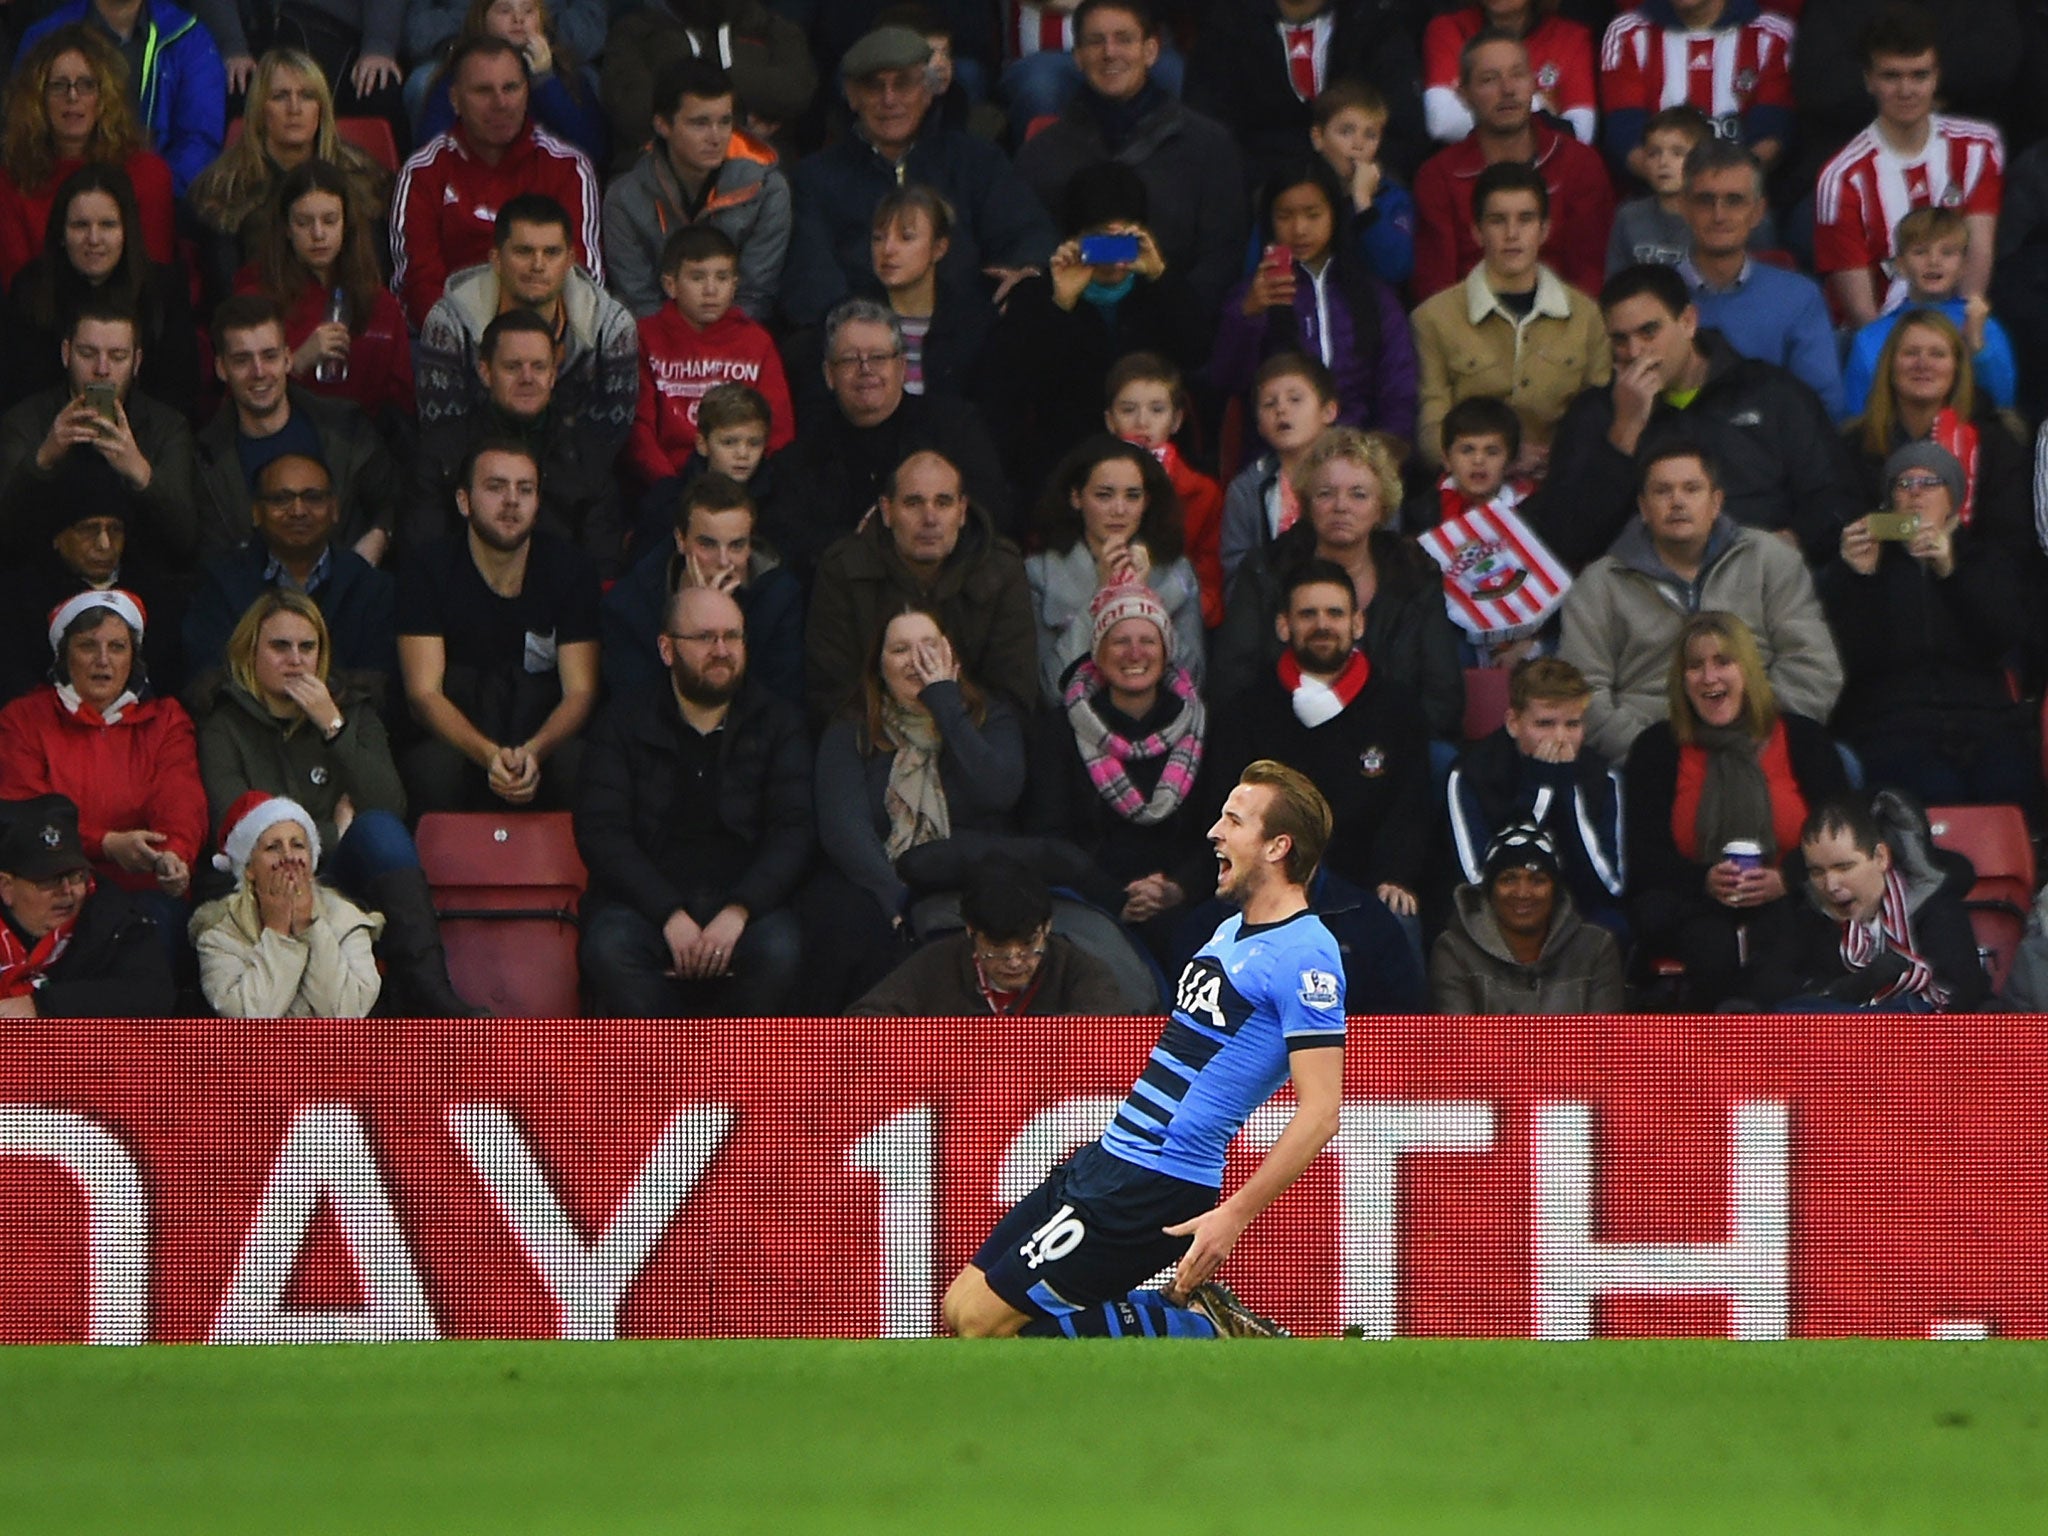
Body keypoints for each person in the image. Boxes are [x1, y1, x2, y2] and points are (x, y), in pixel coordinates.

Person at [944, 758, 1344, 1340]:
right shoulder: (1230, 929)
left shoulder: (1308, 953)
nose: (1215, 832)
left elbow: (1322, 1109)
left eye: (1233, 821)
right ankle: (1173, 1320)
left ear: (1278, 846)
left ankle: (1194, 1329)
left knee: (986, 1326)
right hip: (1111, 1157)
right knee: (960, 1310)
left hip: (1158, 1179)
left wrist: (1234, 1215)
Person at [193, 589, 477, 1014]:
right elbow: (236, 826)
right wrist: (333, 832)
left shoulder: (353, 711)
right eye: (279, 646)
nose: (295, 659)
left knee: (380, 831)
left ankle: (430, 993)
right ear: (250, 651)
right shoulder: (223, 721)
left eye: (308, 647)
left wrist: (333, 726)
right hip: (259, 880)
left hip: (339, 875)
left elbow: (388, 807)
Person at [574, 583, 810, 1018]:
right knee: (609, 949)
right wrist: (668, 914)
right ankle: (672, 1075)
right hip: (644, 904)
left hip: (746, 903)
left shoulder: (780, 722)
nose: (722, 650)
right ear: (667, 649)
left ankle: (730, 1076)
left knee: (782, 951)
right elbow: (602, 834)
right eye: (705, 638)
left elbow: (793, 832)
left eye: (733, 636)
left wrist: (740, 910)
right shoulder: (621, 722)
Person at [1530, 264, 1860, 569]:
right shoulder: (1597, 413)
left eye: (1649, 332)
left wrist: (1792, 541)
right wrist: (1625, 433)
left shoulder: (1770, 393)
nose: (1634, 352)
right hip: (1642, 596)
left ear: (1688, 321)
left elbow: (1836, 495)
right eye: (1620, 339)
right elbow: (1561, 541)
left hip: (1758, 582)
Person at [1558, 441, 1843, 764]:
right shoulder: (1599, 583)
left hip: (1763, 739)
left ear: (1716, 501)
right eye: (1663, 491)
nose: (1677, 501)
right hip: (1648, 749)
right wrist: (1650, 753)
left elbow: (1812, 664)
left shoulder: (1770, 559)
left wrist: (1758, 734)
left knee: (1841, 764)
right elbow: (1580, 691)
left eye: (1691, 489)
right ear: (1643, 506)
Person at [1624, 610, 1848, 1005]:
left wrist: (1787, 877)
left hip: (1791, 897)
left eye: (1722, 662)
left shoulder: (1803, 739)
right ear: (1682, 681)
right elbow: (1644, 858)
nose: (1709, 677)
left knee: (1784, 944)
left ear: (1748, 671)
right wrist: (1705, 881)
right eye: (1695, 666)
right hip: (1692, 904)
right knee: (1710, 947)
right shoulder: (1656, 748)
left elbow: (1844, 838)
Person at [808, 606, 1027, 1007]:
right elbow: (845, 827)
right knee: (851, 926)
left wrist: (945, 703)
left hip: (964, 875)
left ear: (951, 657)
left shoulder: (988, 716)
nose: (917, 660)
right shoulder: (852, 726)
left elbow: (998, 792)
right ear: (878, 668)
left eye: (929, 646)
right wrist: (894, 897)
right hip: (879, 881)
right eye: (901, 650)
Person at [1206, 560, 1431, 926]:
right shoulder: (1246, 711)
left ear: (1358, 623)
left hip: (1367, 888)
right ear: (1284, 625)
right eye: (1308, 614)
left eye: (1335, 613)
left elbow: (1409, 810)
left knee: (1400, 920)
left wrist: (1396, 877)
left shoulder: (1398, 709)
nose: (1322, 625)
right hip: (1268, 883)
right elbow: (1225, 809)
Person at [781, 25, 1053, 327]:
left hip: (970, 333)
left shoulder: (977, 160)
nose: (890, 99)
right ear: (852, 95)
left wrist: (1025, 273)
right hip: (861, 342)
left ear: (928, 90)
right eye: (874, 86)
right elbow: (811, 281)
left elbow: (1028, 234)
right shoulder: (814, 179)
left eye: (904, 84)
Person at [1821, 441, 2038, 813]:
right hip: (1892, 727)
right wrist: (1858, 579)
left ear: (1953, 497)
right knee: (1932, 789)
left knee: (2010, 785)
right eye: (1903, 484)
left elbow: (2003, 639)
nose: (1916, 493)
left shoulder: (1985, 559)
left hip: (1984, 722)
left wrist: (1952, 572)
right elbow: (1852, 660)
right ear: (1889, 501)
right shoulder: (1866, 563)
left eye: (1930, 482)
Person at [1213, 427, 1464, 747]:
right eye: (1326, 493)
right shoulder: (1267, 570)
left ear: (1381, 508)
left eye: (1358, 494)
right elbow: (1233, 681)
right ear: (1307, 503)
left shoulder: (1414, 572)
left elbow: (1442, 694)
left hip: (1393, 741)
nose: (1340, 506)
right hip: (1287, 736)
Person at [976, 160, 1205, 498]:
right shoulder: (1038, 295)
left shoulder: (1160, 288)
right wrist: (1061, 304)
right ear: (1073, 238)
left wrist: (1161, 278)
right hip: (1066, 466)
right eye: (1098, 242)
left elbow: (1197, 350)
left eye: (1123, 240)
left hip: (1156, 466)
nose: (1112, 258)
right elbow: (1013, 385)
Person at [398, 437, 599, 813]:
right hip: (461, 738)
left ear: (538, 504)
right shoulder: (427, 568)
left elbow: (581, 693)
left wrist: (533, 753)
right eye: (495, 487)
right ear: (463, 501)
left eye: (525, 489)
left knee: (582, 764)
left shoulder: (572, 570)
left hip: (541, 738)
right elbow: (424, 694)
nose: (511, 500)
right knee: (432, 768)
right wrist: (489, 755)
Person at [1012, 1, 1243, 319]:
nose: (1109, 53)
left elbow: (1220, 259)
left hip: (1179, 336)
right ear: (1077, 57)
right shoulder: (1041, 154)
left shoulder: (1209, 146)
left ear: (1151, 50)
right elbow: (1031, 253)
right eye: (1095, 42)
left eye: (1124, 39)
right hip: (1072, 338)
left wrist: (1177, 304)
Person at [0, 589, 205, 947]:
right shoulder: (24, 719)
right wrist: (105, 844)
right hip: (47, 889)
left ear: (133, 657)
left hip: (141, 890)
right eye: (87, 646)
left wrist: (174, 854)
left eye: (117, 647)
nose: (102, 660)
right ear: (64, 656)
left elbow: (180, 799)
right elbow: (25, 813)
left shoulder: (167, 720)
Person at [1023, 581, 1215, 959]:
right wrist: (1112, 896)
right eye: (1120, 641)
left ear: (1166, 651)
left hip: (1186, 897)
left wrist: (1178, 888)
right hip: (1089, 897)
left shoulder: (1208, 726)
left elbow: (1222, 827)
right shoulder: (1060, 729)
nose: (1134, 653)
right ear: (1098, 652)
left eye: (1148, 640)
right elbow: (1048, 833)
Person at [770, 300, 1010, 574]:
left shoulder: (955, 427)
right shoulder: (803, 454)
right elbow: (789, 536)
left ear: (902, 366)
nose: (865, 369)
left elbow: (991, 513)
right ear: (828, 374)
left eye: (878, 357)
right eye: (849, 359)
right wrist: (860, 546)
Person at [806, 448, 1037, 728]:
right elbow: (832, 690)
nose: (930, 518)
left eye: (943, 502)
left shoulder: (1001, 569)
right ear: (887, 511)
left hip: (975, 742)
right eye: (914, 503)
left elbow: (1013, 691)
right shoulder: (844, 568)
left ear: (962, 511)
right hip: (873, 744)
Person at [1409, 159, 1609, 475]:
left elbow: (1600, 418)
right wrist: (1498, 461)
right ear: (1477, 231)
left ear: (1544, 229)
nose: (1512, 234)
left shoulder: (1586, 316)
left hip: (1559, 485)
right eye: (1498, 220)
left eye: (1525, 219)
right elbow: (1431, 429)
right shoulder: (1432, 318)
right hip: (1467, 491)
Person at [391, 34, 602, 330]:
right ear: (455, 99)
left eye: (511, 88)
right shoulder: (424, 170)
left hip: (547, 347)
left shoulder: (568, 167)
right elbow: (417, 283)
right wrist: (472, 345)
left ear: (527, 92)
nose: (500, 103)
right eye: (483, 91)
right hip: (452, 343)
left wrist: (527, 346)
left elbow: (582, 280)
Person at [1814, 5, 2004, 331]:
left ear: (1937, 76)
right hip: (1877, 340)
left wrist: (1959, 342)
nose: (1906, 91)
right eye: (1891, 76)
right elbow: (1862, 315)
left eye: (1919, 75)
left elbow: (1977, 258)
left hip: (1956, 332)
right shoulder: (1841, 177)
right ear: (1869, 80)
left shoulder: (1978, 149)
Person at [1211, 156, 1417, 450]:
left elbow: (1399, 388)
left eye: (1313, 214)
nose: (1299, 229)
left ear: (1334, 214)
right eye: (1285, 216)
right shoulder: (1252, 295)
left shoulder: (1372, 294)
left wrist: (1384, 454)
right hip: (1279, 458)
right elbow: (1227, 381)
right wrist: (1249, 315)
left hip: (1361, 458)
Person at [414, 191, 637, 456]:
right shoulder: (449, 324)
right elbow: (444, 435)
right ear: (496, 259)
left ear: (569, 261)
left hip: (575, 480)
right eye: (524, 251)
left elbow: (608, 441)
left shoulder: (611, 328)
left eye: (552, 253)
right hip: (476, 478)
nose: (538, 265)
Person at [405, 309, 626, 574]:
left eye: (539, 367)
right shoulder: (443, 449)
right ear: (485, 372)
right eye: (512, 367)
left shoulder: (587, 453)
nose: (527, 378)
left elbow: (603, 565)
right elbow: (423, 555)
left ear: (553, 375)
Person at [194, 294, 399, 564]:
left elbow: (392, 499)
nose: (259, 372)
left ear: (288, 359)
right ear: (221, 368)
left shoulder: (345, 425)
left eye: (270, 356)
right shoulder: (206, 458)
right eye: (242, 360)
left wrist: (377, 539)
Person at [1410, 29, 1613, 301]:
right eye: (1489, 79)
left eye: (1518, 75)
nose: (1507, 89)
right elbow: (1436, 289)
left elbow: (1590, 277)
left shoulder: (1579, 163)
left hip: (1566, 327)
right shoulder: (1438, 176)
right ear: (1463, 94)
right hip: (1468, 328)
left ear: (1534, 84)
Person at [181, 452, 398, 701]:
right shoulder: (220, 582)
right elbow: (204, 682)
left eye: (313, 498)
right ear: (256, 512)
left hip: (344, 734)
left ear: (334, 509)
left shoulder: (372, 588)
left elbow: (380, 688)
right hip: (244, 734)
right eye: (281, 499)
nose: (297, 511)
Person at [0, 298, 196, 571]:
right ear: (66, 353)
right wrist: (43, 460)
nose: (102, 369)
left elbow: (185, 539)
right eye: (87, 353)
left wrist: (139, 471)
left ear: (136, 362)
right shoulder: (23, 421)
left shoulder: (167, 427)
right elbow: (7, 534)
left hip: (139, 582)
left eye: (117, 356)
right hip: (42, 580)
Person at [1750, 791, 1988, 1012]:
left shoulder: (1937, 909)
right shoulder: (1803, 912)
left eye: (1844, 867)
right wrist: (1847, 988)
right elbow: (1766, 986)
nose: (1831, 885)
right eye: (1817, 872)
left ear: (1881, 857)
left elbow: (1963, 997)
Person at [185, 49, 389, 306]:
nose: (294, 108)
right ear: (260, 108)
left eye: (306, 96)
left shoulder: (363, 179)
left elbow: (372, 278)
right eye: (280, 96)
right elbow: (225, 295)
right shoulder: (223, 190)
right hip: (259, 327)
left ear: (321, 107)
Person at [1841, 307, 2035, 567]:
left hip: (1970, 590)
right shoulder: (1854, 442)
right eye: (1910, 353)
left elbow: (2012, 544)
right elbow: (1843, 524)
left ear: (1957, 368)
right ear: (1889, 365)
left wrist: (1949, 553)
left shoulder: (1995, 442)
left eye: (1937, 354)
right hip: (1882, 588)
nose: (1923, 363)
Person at [601, 56, 789, 323]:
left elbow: (755, 294)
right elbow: (638, 299)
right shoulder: (624, 198)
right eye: (700, 123)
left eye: (725, 122)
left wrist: (713, 352)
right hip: (658, 346)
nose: (716, 137)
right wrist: (681, 354)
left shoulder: (767, 189)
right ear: (663, 125)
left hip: (737, 342)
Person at [2, 161, 196, 414]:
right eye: (80, 225)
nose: (93, 239)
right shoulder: (30, 288)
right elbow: (14, 393)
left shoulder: (164, 289)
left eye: (107, 225)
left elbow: (179, 393)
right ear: (61, 233)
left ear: (127, 231)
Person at [1447, 656, 1625, 930]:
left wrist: (1568, 792)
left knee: (1613, 927)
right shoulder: (1470, 773)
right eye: (1544, 724)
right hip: (1496, 915)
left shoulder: (1602, 777)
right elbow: (1478, 879)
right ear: (1513, 723)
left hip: (1577, 910)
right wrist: (1541, 786)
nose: (1560, 738)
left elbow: (1610, 886)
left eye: (1572, 724)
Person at [1026, 434, 1204, 704]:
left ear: (1146, 502)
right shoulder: (1040, 573)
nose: (1119, 509)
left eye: (1132, 496)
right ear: (1076, 497)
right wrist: (1101, 598)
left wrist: (1141, 597)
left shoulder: (1177, 571)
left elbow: (1193, 681)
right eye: (1104, 495)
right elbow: (1052, 688)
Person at [1183, 0, 1428, 196]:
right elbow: (1209, 130)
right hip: (1258, 195)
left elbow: (1404, 128)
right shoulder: (1227, 24)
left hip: (1359, 193)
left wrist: (1358, 179)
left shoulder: (1375, 22)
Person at [601, 471, 801, 710]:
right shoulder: (630, 604)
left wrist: (729, 622)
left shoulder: (779, 597)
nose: (724, 561)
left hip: (751, 742)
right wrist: (693, 619)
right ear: (681, 540)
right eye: (707, 544)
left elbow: (781, 706)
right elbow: (636, 708)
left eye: (737, 545)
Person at [238, 158, 412, 427]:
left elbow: (402, 403)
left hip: (364, 445)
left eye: (330, 221)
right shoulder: (255, 301)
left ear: (347, 224)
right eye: (304, 222)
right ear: (286, 228)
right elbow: (239, 401)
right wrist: (296, 362)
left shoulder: (382, 306)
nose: (318, 234)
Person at [1676, 141, 1844, 419]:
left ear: (1758, 212)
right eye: (1706, 200)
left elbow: (1823, 405)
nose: (1719, 215)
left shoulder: (1798, 297)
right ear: (1683, 206)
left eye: (1734, 200)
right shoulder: (1655, 296)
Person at [0, 26, 176, 290]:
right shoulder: (12, 179)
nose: (73, 97)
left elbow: (153, 279)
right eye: (58, 86)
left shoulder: (148, 174)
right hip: (39, 319)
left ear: (105, 96)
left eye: (87, 85)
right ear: (37, 98)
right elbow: (17, 286)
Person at [850, 854, 1133, 1016]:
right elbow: (864, 1022)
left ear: (1046, 928)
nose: (1014, 962)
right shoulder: (937, 963)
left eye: (1028, 945)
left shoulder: (1081, 972)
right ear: (972, 930)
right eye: (997, 947)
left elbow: (1105, 1038)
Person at [624, 224, 793, 495]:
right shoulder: (646, 337)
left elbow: (779, 430)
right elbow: (639, 428)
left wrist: (757, 488)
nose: (711, 289)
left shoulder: (756, 341)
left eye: (722, 277)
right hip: (667, 485)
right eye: (698, 277)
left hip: (747, 489)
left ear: (735, 284)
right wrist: (668, 487)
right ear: (671, 284)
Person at [189, 790, 383, 1018]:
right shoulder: (220, 932)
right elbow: (250, 1016)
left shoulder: (345, 917)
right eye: (273, 847)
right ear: (249, 869)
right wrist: (278, 932)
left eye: (298, 845)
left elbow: (344, 1013)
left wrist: (308, 925)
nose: (289, 857)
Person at [0, 790, 172, 1016]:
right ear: (6, 888)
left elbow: (153, 994)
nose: (67, 891)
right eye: (48, 880)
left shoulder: (113, 918)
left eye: (75, 875)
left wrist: (42, 1006)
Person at [596, 0, 815, 174]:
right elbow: (632, 111)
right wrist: (738, 124)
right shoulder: (635, 33)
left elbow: (795, 93)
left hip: (756, 177)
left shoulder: (772, 30)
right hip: (655, 178)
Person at [1430, 821, 1625, 1013]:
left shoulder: (1596, 948)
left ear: (1555, 891)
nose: (1523, 893)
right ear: (1489, 892)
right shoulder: (1453, 950)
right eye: (1508, 879)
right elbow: (1459, 1042)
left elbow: (1602, 1040)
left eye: (1538, 880)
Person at [1842, 206, 2017, 420]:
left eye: (1947, 252)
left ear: (1964, 265)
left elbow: (2002, 403)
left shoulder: (1985, 327)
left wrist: (1978, 348)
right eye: (1920, 251)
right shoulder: (1871, 337)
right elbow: (1856, 418)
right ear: (1901, 265)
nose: (1934, 261)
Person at [0, 497, 180, 705]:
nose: (104, 544)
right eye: (88, 529)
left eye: (115, 530)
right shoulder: (18, 598)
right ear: (57, 538)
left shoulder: (158, 595)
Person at [1597, 0, 1795, 180]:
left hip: (1741, 198)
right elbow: (1625, 134)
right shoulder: (1628, 32)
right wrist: (1673, 184)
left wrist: (1726, 185)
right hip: (1658, 198)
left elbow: (1772, 133)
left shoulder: (1772, 34)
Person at [1101, 355, 1223, 626]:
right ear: (1110, 421)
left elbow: (1210, 582)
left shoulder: (1202, 492)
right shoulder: (1088, 486)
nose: (1142, 422)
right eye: (1128, 409)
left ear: (1177, 419)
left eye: (1157, 410)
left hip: (1176, 623)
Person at [415, 0, 607, 167]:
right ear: (482, 19)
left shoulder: (565, 74)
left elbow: (591, 149)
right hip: (476, 189)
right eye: (505, 10)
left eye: (528, 10)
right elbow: (431, 150)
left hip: (542, 191)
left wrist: (545, 81)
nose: (518, 19)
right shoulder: (458, 76)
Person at [1219, 352, 1341, 589]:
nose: (1282, 410)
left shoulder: (1364, 477)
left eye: (1295, 399)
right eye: (1269, 404)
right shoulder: (1246, 490)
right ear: (1259, 425)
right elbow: (1237, 577)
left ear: (1329, 411)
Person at [1422, 0, 1597, 147]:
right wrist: (1539, 104)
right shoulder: (1449, 27)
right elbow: (1443, 124)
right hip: (1471, 168)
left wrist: (1483, 102)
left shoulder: (1571, 37)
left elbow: (1580, 136)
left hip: (1546, 171)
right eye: (1488, 79)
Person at [1307, 79, 1415, 288]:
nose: (1358, 144)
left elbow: (1395, 269)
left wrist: (1364, 203)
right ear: (1318, 137)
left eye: (1370, 135)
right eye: (1346, 131)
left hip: (1371, 309)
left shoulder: (1392, 196)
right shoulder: (1297, 190)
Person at [1606, 105, 1710, 273]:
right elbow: (1616, 286)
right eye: (1654, 153)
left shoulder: (1718, 217)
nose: (1663, 162)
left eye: (1677, 153)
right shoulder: (1628, 217)